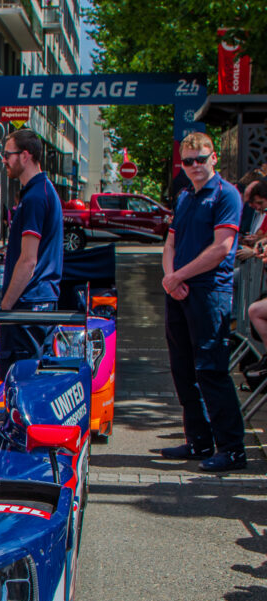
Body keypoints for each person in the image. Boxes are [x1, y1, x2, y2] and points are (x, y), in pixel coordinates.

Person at [160, 132, 245, 472]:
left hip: (210, 291)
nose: (194, 166)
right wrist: (170, 279)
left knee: (211, 369)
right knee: (183, 369)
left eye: (200, 159)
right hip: (179, 291)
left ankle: (233, 448)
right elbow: (170, 244)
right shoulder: (184, 197)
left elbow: (222, 247)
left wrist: (179, 276)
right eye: (188, 161)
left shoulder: (227, 195)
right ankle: (198, 440)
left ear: (214, 158)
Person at [0, 129, 62, 380]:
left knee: (21, 379)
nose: (3, 160)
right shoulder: (40, 192)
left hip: (28, 304)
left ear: (25, 156)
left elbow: (28, 260)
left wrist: (5, 306)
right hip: (37, 302)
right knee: (32, 378)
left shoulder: (36, 196)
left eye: (7, 154)